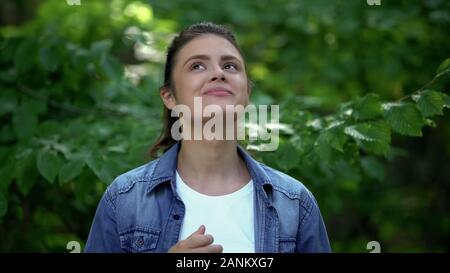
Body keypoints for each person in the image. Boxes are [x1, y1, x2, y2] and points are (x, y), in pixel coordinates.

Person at [84, 22, 331, 253]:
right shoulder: (125, 200)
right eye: (197, 66)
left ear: (247, 92)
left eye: (230, 66)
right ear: (169, 96)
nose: (218, 73)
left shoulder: (295, 203)